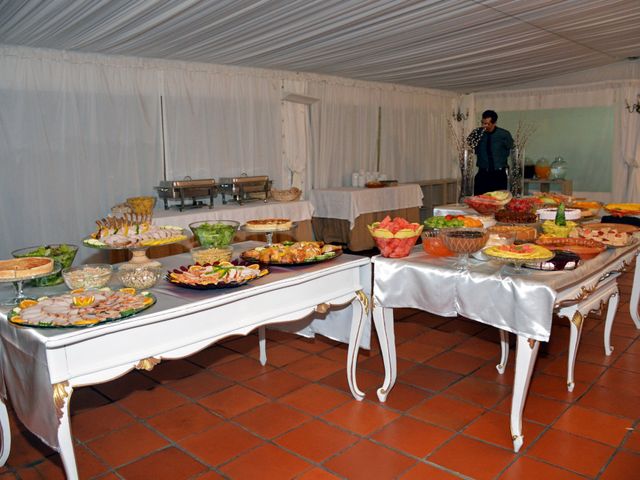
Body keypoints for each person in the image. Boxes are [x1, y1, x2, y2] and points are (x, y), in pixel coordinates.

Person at [470, 110, 514, 195]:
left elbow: (512, 149)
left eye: (487, 124)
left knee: (498, 201)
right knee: (479, 200)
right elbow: (469, 146)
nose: (484, 126)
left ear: (494, 123)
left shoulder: (504, 134)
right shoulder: (477, 133)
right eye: (483, 123)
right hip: (483, 173)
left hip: (498, 174)